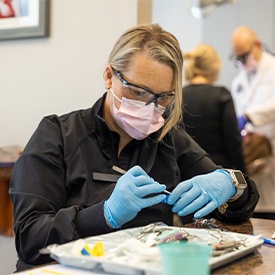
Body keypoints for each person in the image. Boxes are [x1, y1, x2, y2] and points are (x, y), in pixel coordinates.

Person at [10, 24, 259, 271]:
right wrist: (104, 214)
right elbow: (29, 238)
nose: (149, 107)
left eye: (162, 98)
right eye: (138, 92)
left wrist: (231, 183)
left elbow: (236, 210)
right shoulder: (58, 135)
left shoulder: (167, 139)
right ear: (109, 76)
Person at [230, 26, 275, 219]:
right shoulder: (238, 82)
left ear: (257, 45)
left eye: (244, 56)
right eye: (237, 59)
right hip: (252, 159)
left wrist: (249, 116)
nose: (242, 62)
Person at [182, 44, 246, 172]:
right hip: (219, 174)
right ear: (215, 68)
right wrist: (244, 174)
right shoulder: (221, 95)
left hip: (186, 172)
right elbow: (233, 143)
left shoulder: (179, 96)